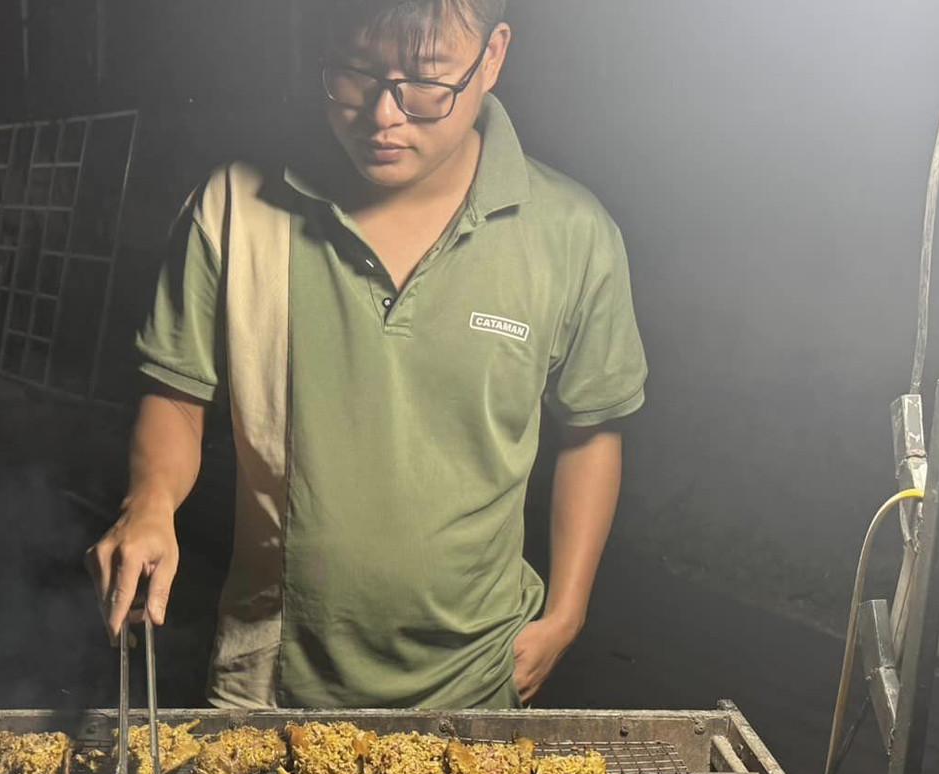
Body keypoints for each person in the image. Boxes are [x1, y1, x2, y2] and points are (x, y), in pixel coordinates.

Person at [87, 0, 646, 709]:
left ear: (493, 56)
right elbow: (175, 393)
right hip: (272, 672)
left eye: (426, 80)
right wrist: (150, 503)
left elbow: (592, 431)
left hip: (475, 676)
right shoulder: (236, 205)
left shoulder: (572, 233)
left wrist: (567, 613)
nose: (384, 114)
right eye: (354, 74)